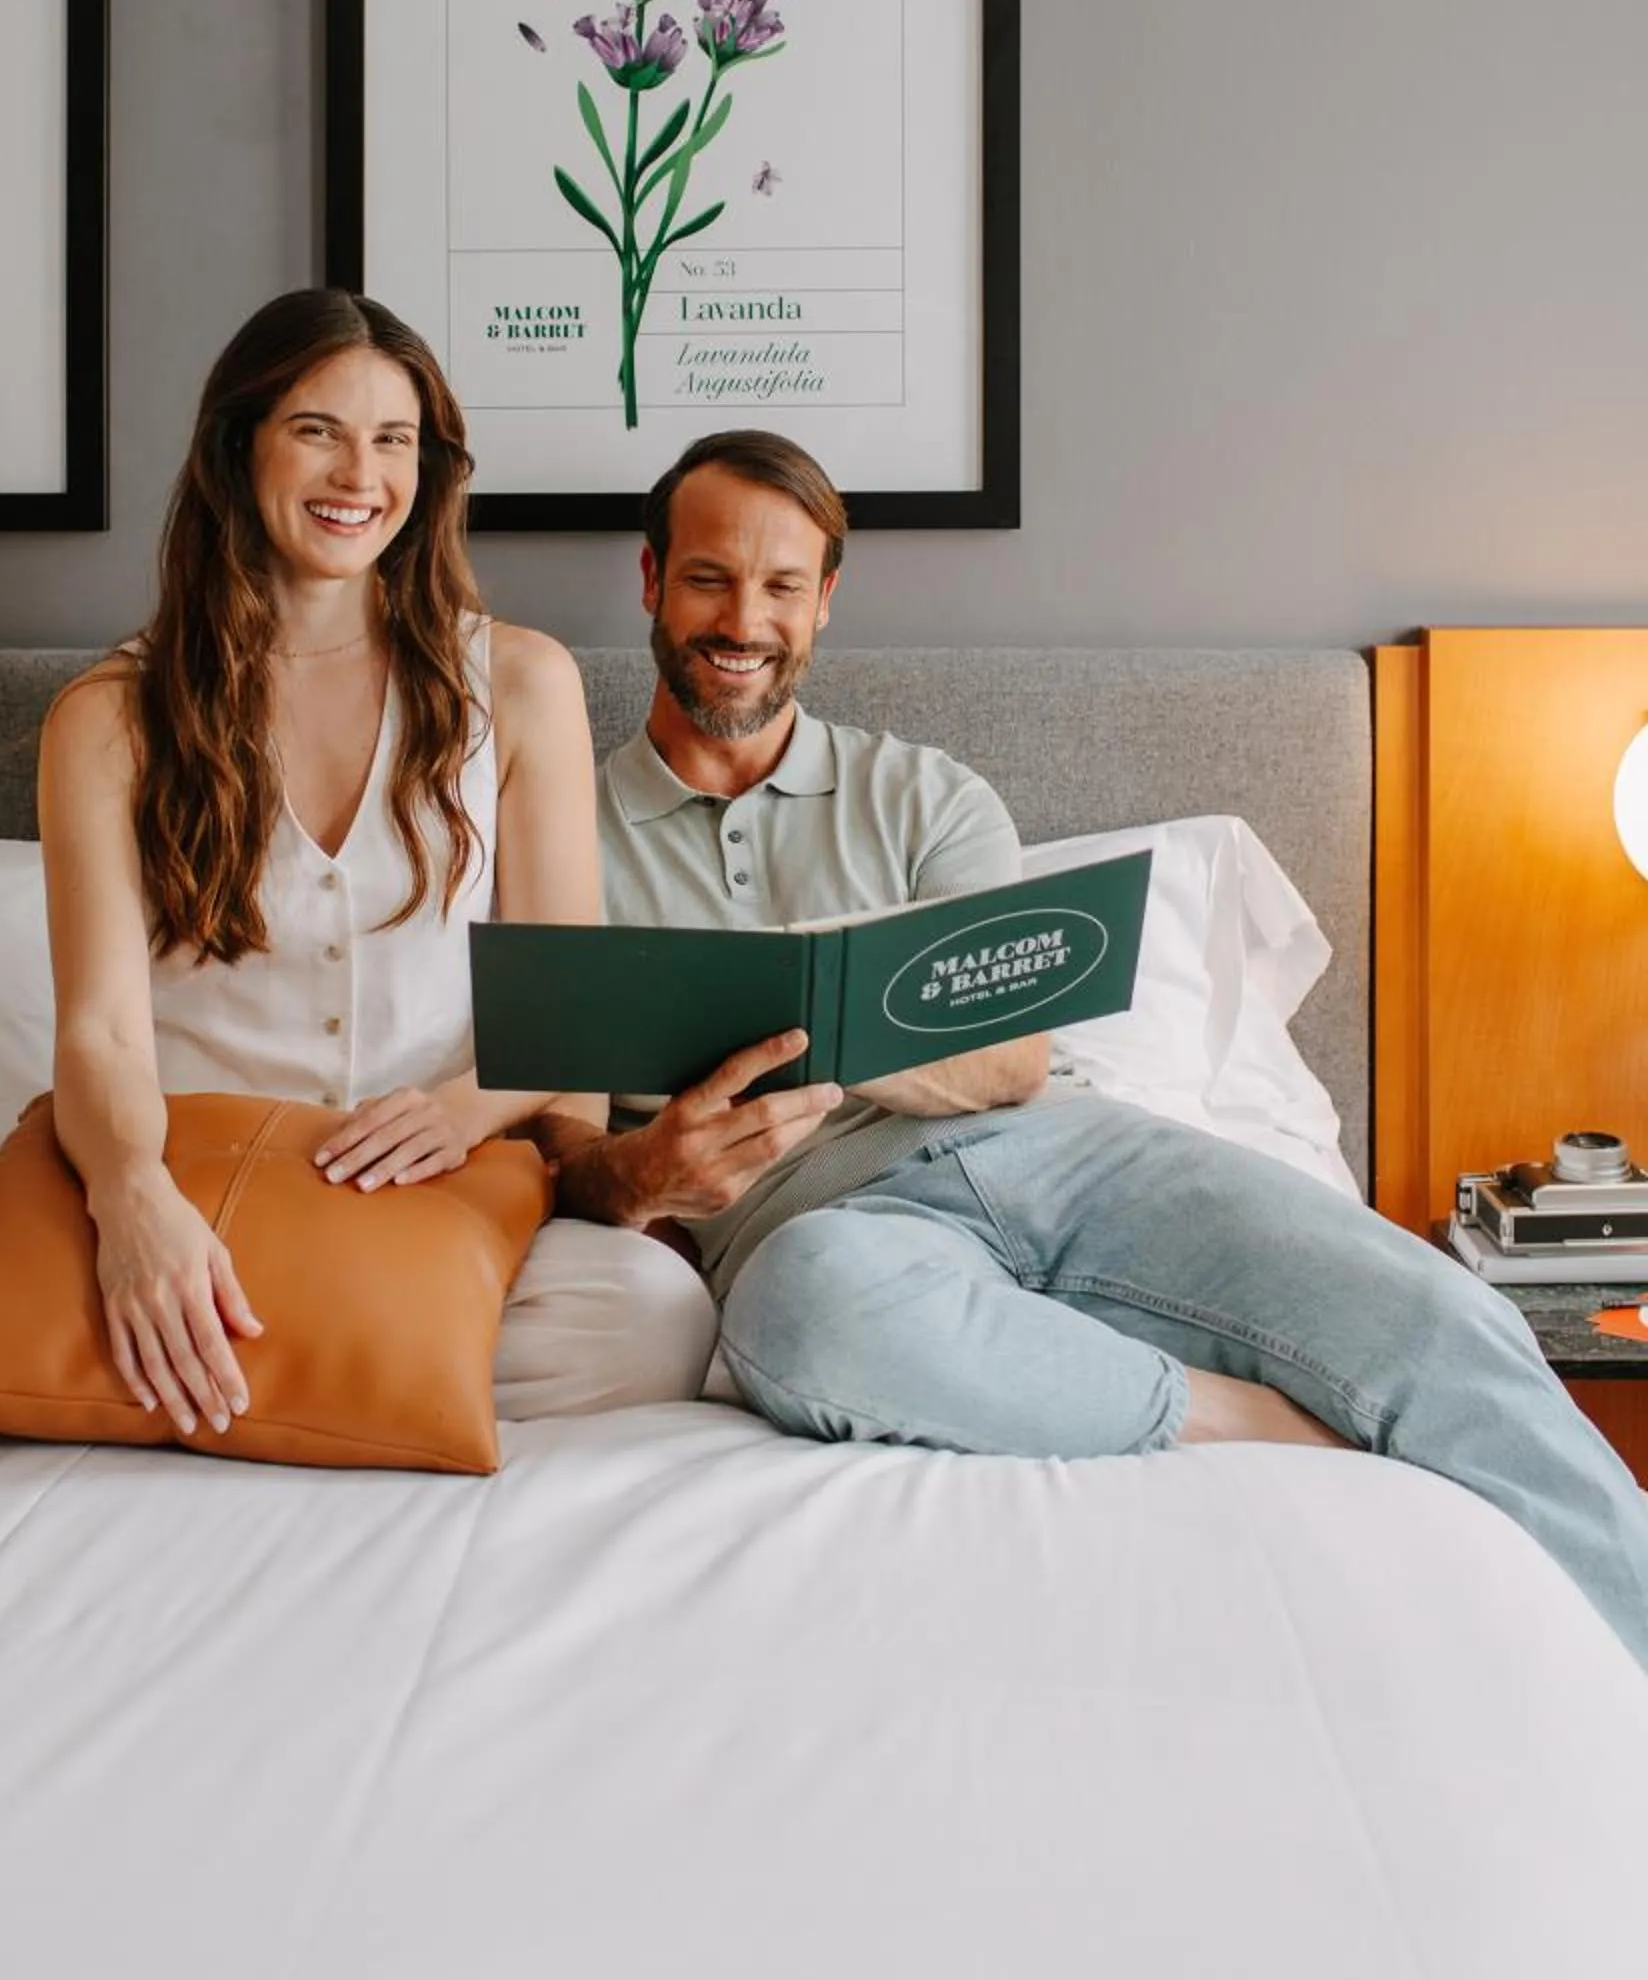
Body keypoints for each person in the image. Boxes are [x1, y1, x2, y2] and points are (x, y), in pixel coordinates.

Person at [538, 427, 1648, 1670]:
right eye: (708, 579)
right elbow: (561, 1137)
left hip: (1069, 1159)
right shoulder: (559, 838)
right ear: (649, 581)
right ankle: (1230, 1414)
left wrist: (813, 1029)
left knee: (1440, 1321)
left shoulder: (926, 796)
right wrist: (642, 1174)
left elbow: (1010, 1061)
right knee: (803, 1320)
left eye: (781, 586)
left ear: (823, 605)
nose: (743, 618)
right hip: (822, 1228)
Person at [0, 291, 715, 1477]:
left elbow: (562, 1024)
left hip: (435, 1187)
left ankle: (4, 1267)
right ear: (238, 446)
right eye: (317, 429)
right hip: (186, 1177)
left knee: (650, 1321)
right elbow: (102, 1035)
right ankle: (185, 1315)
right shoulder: (109, 716)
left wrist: (463, 1109)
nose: (358, 473)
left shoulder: (519, 685)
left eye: (393, 439)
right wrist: (130, 1211)